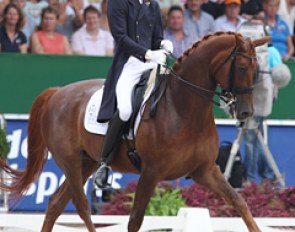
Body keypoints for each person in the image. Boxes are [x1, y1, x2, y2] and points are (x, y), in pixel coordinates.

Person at [94, 0, 173, 189]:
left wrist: (162, 43)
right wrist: (146, 53)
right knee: (125, 111)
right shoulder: (118, 3)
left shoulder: (151, 5)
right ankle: (104, 163)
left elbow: (155, 38)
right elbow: (121, 37)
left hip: (152, 62)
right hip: (128, 64)